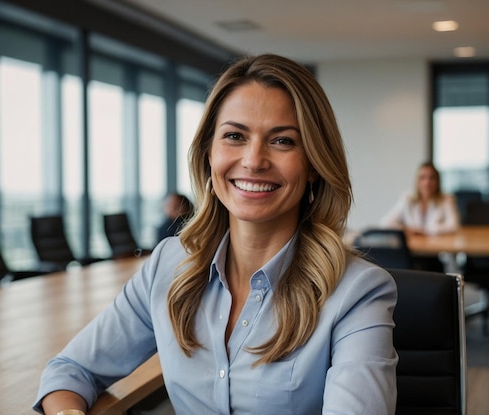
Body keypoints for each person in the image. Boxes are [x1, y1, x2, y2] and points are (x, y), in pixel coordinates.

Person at [34, 54, 398, 415]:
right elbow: (71, 370)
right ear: (209, 153)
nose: (254, 160)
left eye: (283, 141)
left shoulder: (357, 292)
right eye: (235, 136)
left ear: (315, 164)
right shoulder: (169, 265)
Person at [380, 161, 460, 271]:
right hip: (411, 255)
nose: (427, 182)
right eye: (423, 178)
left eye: (432, 178)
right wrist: (405, 229)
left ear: (437, 181)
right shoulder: (407, 199)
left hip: (434, 255)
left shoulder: (446, 200)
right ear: (417, 181)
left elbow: (453, 226)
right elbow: (385, 223)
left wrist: (424, 231)